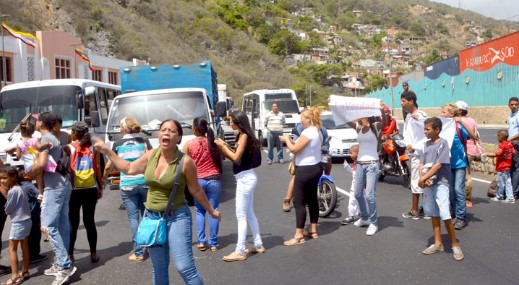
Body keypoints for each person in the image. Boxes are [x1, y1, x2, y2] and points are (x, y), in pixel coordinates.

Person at [94, 119, 220, 285]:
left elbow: (195, 189)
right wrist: (106, 150)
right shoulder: (150, 155)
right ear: (159, 135)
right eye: (163, 130)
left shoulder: (185, 162)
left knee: (184, 267)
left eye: (172, 131)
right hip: (152, 219)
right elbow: (129, 168)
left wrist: (211, 210)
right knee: (159, 268)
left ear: (179, 137)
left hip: (177, 218)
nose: (166, 133)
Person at [27, 112, 76, 285]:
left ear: (40, 123)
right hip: (63, 184)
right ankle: (61, 262)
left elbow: (41, 164)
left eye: (35, 121)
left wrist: (27, 174)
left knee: (48, 226)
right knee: (61, 226)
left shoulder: (48, 139)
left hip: (54, 187)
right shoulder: (53, 138)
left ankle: (64, 265)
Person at [214, 110, 264, 261]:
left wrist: (222, 149)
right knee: (249, 213)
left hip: (245, 179)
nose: (230, 123)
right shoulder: (244, 136)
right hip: (247, 177)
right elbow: (238, 153)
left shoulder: (243, 136)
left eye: (231, 120)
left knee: (241, 215)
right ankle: (258, 244)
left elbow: (235, 158)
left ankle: (240, 251)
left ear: (238, 122)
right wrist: (225, 145)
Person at [102, 117, 152, 262]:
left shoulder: (117, 144)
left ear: (124, 128)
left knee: (133, 218)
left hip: (127, 184)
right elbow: (153, 159)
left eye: (119, 126)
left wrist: (104, 181)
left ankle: (138, 253)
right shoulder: (144, 141)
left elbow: (108, 166)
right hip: (144, 182)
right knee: (147, 215)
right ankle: (148, 245)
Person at [418, 117, 464, 261]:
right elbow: (421, 163)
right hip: (428, 184)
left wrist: (423, 178)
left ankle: (455, 244)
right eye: (424, 129)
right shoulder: (425, 145)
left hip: (441, 183)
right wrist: (422, 177)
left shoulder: (443, 144)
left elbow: (438, 165)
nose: (425, 131)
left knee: (445, 214)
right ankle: (438, 243)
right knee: (433, 213)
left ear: (437, 130)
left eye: (428, 129)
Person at [279, 107, 323, 245]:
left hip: (305, 169)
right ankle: (313, 230)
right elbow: (301, 147)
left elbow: (294, 149)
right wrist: (291, 141)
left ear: (309, 119)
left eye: (303, 118)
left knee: (298, 202)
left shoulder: (307, 132)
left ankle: (298, 235)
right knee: (312, 199)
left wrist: (286, 139)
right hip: (316, 167)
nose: (300, 120)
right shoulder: (318, 131)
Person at [183, 117, 222, 252]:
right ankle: (214, 243)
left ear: (194, 129)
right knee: (213, 209)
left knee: (200, 211)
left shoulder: (188, 144)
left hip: (198, 180)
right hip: (214, 178)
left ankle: (201, 241)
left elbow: (183, 163)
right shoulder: (213, 142)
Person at [346, 106, 387, 236]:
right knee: (358, 193)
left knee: (369, 195)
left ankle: (374, 222)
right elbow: (346, 118)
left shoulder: (375, 127)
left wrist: (381, 111)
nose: (356, 116)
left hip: (372, 164)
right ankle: (364, 218)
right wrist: (334, 105)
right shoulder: (358, 127)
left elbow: (385, 123)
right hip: (359, 164)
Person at [65, 121, 102, 263]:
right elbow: (97, 167)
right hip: (91, 188)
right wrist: (100, 186)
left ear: (74, 133)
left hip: (74, 190)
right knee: (90, 222)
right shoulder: (93, 147)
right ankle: (93, 254)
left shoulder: (69, 148)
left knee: (73, 223)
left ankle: (70, 255)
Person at [441, 103, 477, 230]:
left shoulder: (458, 127)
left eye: (444, 112)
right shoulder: (443, 128)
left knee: (458, 189)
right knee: (450, 190)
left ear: (452, 114)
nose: (441, 114)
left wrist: (461, 121)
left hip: (460, 163)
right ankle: (454, 212)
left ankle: (462, 217)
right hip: (447, 163)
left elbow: (474, 137)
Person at [282, 124, 329, 212]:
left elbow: (326, 143)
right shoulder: (300, 128)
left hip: (317, 154)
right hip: (302, 155)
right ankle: (287, 199)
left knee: (328, 161)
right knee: (296, 176)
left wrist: (325, 150)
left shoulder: (322, 129)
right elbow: (296, 144)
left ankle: (325, 183)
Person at [0, 166, 31, 284]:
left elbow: (8, 209)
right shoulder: (20, 188)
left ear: (13, 177)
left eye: (4, 178)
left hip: (18, 222)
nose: (2, 181)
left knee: (11, 249)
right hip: (26, 220)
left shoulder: (13, 191)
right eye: (0, 179)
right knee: (24, 246)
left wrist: (3, 193)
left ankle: (15, 276)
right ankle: (25, 271)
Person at [400, 90, 428, 220]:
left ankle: (415, 209)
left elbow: (427, 134)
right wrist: (408, 145)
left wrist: (414, 147)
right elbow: (407, 134)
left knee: (417, 181)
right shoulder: (408, 117)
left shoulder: (421, 115)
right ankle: (424, 208)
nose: (402, 103)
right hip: (413, 152)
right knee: (418, 180)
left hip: (420, 154)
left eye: (404, 101)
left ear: (411, 101)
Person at [15, 117, 56, 200]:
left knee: (33, 177)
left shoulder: (19, 143)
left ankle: (32, 193)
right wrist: (47, 143)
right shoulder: (35, 139)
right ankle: (41, 192)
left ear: (21, 131)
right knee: (39, 175)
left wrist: (22, 153)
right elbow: (40, 147)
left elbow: (18, 156)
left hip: (28, 166)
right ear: (33, 131)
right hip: (36, 163)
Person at [18, 170, 47, 264]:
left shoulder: (18, 185)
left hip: (23, 214)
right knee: (35, 235)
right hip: (33, 214)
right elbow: (40, 194)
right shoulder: (29, 185)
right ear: (25, 175)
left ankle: (27, 254)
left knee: (27, 236)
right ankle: (34, 255)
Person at [455, 101, 478, 208]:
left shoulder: (459, 121)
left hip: (464, 150)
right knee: (466, 174)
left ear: (459, 110)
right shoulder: (472, 120)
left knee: (466, 176)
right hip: (472, 150)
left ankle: (467, 199)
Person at [487, 129, 516, 203]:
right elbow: (513, 153)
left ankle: (500, 196)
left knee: (501, 183)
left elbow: (496, 154)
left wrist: (484, 153)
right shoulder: (510, 145)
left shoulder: (502, 146)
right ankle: (510, 197)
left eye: (497, 136)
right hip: (508, 166)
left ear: (500, 137)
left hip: (502, 167)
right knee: (508, 182)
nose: (497, 138)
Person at [341, 144, 360, 225]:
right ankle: (350, 216)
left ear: (358, 153)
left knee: (362, 202)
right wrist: (347, 167)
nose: (350, 155)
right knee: (351, 201)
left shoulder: (361, 164)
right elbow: (353, 173)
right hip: (353, 187)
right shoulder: (354, 163)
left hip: (362, 187)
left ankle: (363, 216)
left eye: (351, 153)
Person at [507, 97, 519, 199]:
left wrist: (510, 139)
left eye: (516, 104)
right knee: (512, 168)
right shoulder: (511, 115)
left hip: (517, 143)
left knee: (515, 168)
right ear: (509, 105)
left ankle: (514, 193)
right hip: (512, 143)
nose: (514, 106)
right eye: (512, 104)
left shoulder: (518, 115)